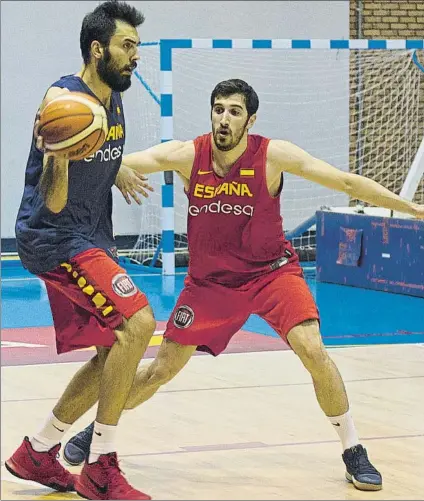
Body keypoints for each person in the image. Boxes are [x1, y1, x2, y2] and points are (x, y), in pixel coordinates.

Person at [66, 78, 422, 492]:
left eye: (234, 111)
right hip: (210, 284)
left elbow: (343, 182)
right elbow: (128, 160)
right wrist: (108, 161)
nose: (224, 118)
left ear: (250, 119)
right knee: (161, 369)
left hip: (271, 273)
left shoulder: (272, 155)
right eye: (218, 109)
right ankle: (99, 429)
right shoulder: (189, 154)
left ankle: (353, 447)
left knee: (312, 349)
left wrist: (409, 207)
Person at [6, 2, 156, 500]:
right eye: (127, 46)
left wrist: (118, 169)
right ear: (98, 49)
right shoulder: (64, 104)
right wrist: (58, 154)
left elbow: (102, 154)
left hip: (91, 235)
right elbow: (52, 199)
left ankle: (39, 450)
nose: (136, 56)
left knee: (112, 352)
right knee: (137, 323)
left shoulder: (112, 94)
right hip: (55, 238)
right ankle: (100, 465)